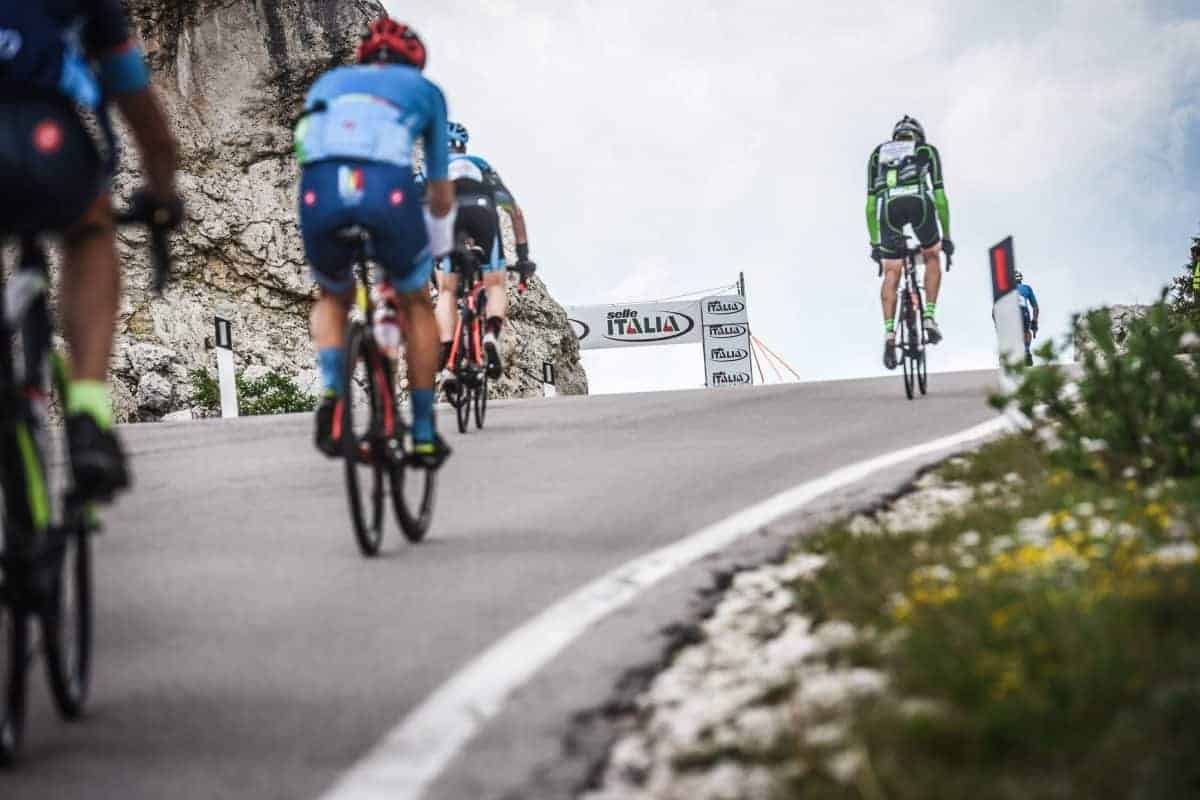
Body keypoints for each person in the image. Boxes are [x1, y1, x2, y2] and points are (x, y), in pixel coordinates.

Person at [0, 1, 182, 500]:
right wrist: (162, 197)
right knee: (89, 232)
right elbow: (145, 117)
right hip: (47, 139)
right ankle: (86, 412)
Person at [294, 16, 455, 467]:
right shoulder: (426, 92)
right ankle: (422, 432)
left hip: (320, 188)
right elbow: (440, 193)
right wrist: (438, 247)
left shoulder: (328, 82)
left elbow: (306, 147)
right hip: (388, 191)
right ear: (414, 62)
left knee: (332, 295)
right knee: (416, 302)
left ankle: (333, 397)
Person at [434, 121, 535, 387]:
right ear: (463, 147)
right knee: (494, 285)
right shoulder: (481, 166)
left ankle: (448, 354)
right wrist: (523, 255)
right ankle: (490, 334)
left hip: (448, 216)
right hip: (482, 213)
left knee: (446, 291)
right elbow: (513, 210)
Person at [866, 115, 953, 370]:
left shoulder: (878, 154)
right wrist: (946, 238)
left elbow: (870, 207)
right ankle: (928, 317)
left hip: (888, 209)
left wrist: (875, 244)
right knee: (932, 255)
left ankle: (889, 333)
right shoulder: (926, 150)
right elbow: (940, 199)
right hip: (920, 204)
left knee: (892, 271)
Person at [1016, 271, 1039, 366]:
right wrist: (1034, 321)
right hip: (1023, 310)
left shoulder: (1005, 289)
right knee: (1026, 331)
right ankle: (1026, 351)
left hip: (1010, 311)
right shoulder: (1026, 288)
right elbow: (1035, 307)